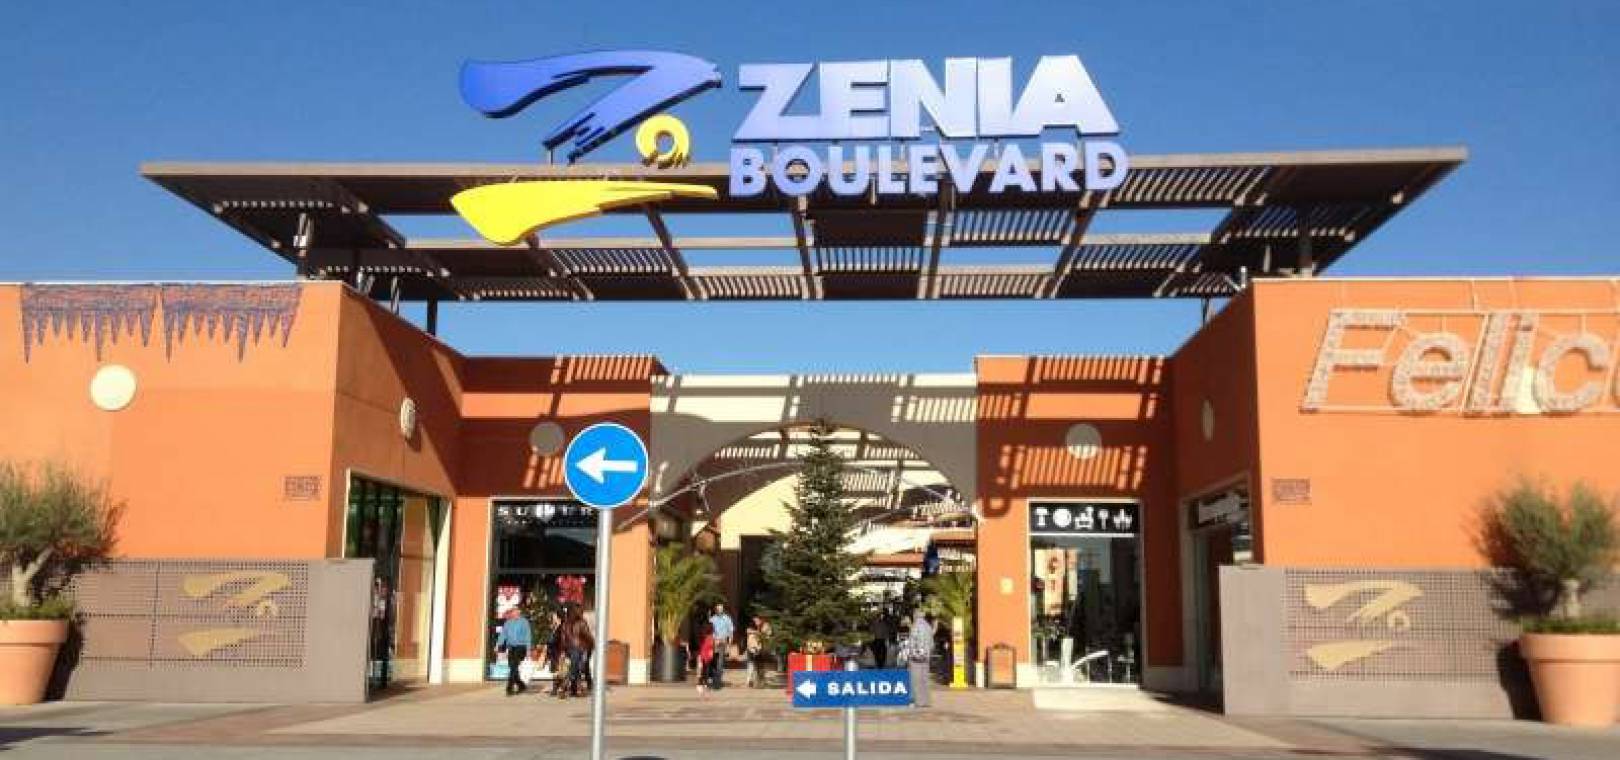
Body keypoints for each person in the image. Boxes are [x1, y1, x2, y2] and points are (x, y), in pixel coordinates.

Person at [494, 607, 533, 697]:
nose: (515, 613)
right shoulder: (508, 623)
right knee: (512, 666)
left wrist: (528, 650)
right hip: (511, 647)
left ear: (519, 613)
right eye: (513, 612)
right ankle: (521, 685)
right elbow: (503, 635)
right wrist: (497, 645)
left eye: (516, 612)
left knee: (514, 667)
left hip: (521, 647)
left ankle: (509, 688)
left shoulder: (524, 622)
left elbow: (528, 636)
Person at [560, 604, 595, 698]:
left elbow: (563, 639)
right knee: (577, 668)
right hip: (581, 648)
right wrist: (593, 644)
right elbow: (588, 635)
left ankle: (574, 688)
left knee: (575, 667)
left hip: (570, 649)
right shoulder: (582, 622)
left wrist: (564, 650)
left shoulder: (565, 623)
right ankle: (566, 686)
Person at [906, 611, 934, 707]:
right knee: (925, 680)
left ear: (915, 616)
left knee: (916, 680)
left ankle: (918, 701)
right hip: (926, 657)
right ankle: (926, 701)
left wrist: (914, 653)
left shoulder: (915, 627)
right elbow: (931, 644)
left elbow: (914, 642)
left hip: (916, 658)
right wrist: (927, 653)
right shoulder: (928, 627)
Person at [708, 602, 734, 688]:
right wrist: (712, 640)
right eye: (718, 609)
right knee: (712, 660)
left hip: (723, 642)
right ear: (716, 610)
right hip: (714, 642)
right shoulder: (712, 619)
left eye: (721, 609)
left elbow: (730, 631)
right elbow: (709, 630)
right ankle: (712, 678)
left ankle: (718, 680)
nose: (720, 610)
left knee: (720, 662)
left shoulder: (727, 618)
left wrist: (729, 643)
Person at [744, 616, 768, 688]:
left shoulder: (764, 626)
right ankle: (749, 681)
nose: (756, 622)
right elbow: (748, 631)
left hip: (759, 649)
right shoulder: (751, 628)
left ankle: (760, 682)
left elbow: (765, 634)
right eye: (754, 621)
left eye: (757, 620)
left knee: (759, 666)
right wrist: (755, 632)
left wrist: (758, 632)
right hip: (751, 648)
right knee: (751, 665)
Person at [695, 622, 716, 695]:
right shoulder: (710, 638)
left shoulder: (702, 637)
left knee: (702, 671)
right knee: (705, 670)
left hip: (702, 656)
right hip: (706, 656)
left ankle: (701, 684)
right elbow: (711, 648)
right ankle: (703, 684)